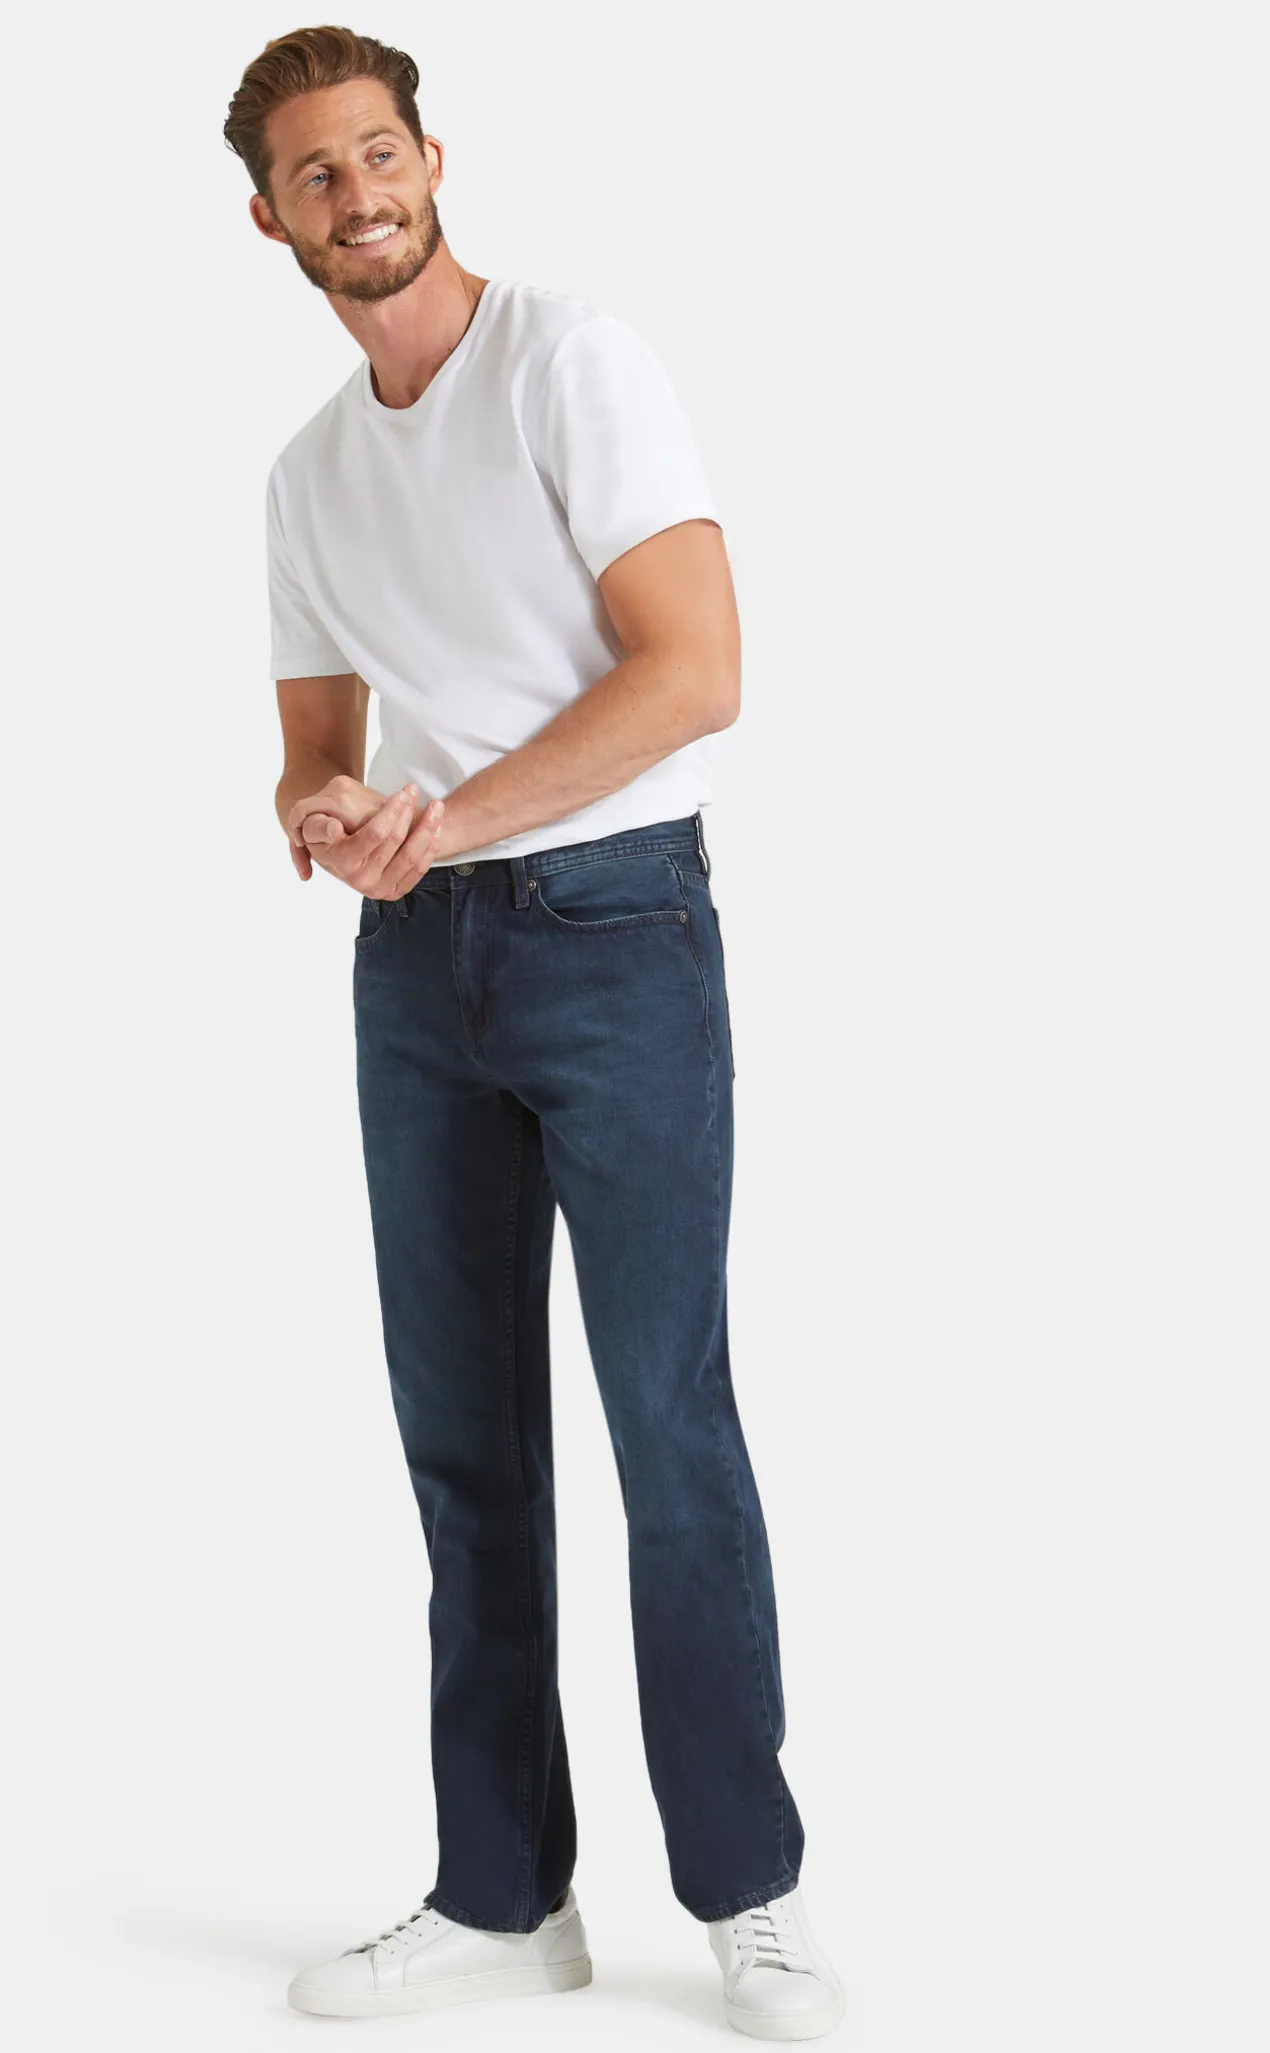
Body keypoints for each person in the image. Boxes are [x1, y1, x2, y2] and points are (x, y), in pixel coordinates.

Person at [222, 25, 845, 2040]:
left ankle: (747, 1890)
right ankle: (503, 1896)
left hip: (614, 932)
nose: (359, 193)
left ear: (431, 158)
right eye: (316, 173)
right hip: (418, 971)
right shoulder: (308, 475)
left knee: (667, 1418)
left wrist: (450, 815)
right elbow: (313, 751)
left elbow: (698, 671)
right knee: (463, 1447)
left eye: (377, 151)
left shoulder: (571, 363)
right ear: (269, 220)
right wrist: (330, 814)